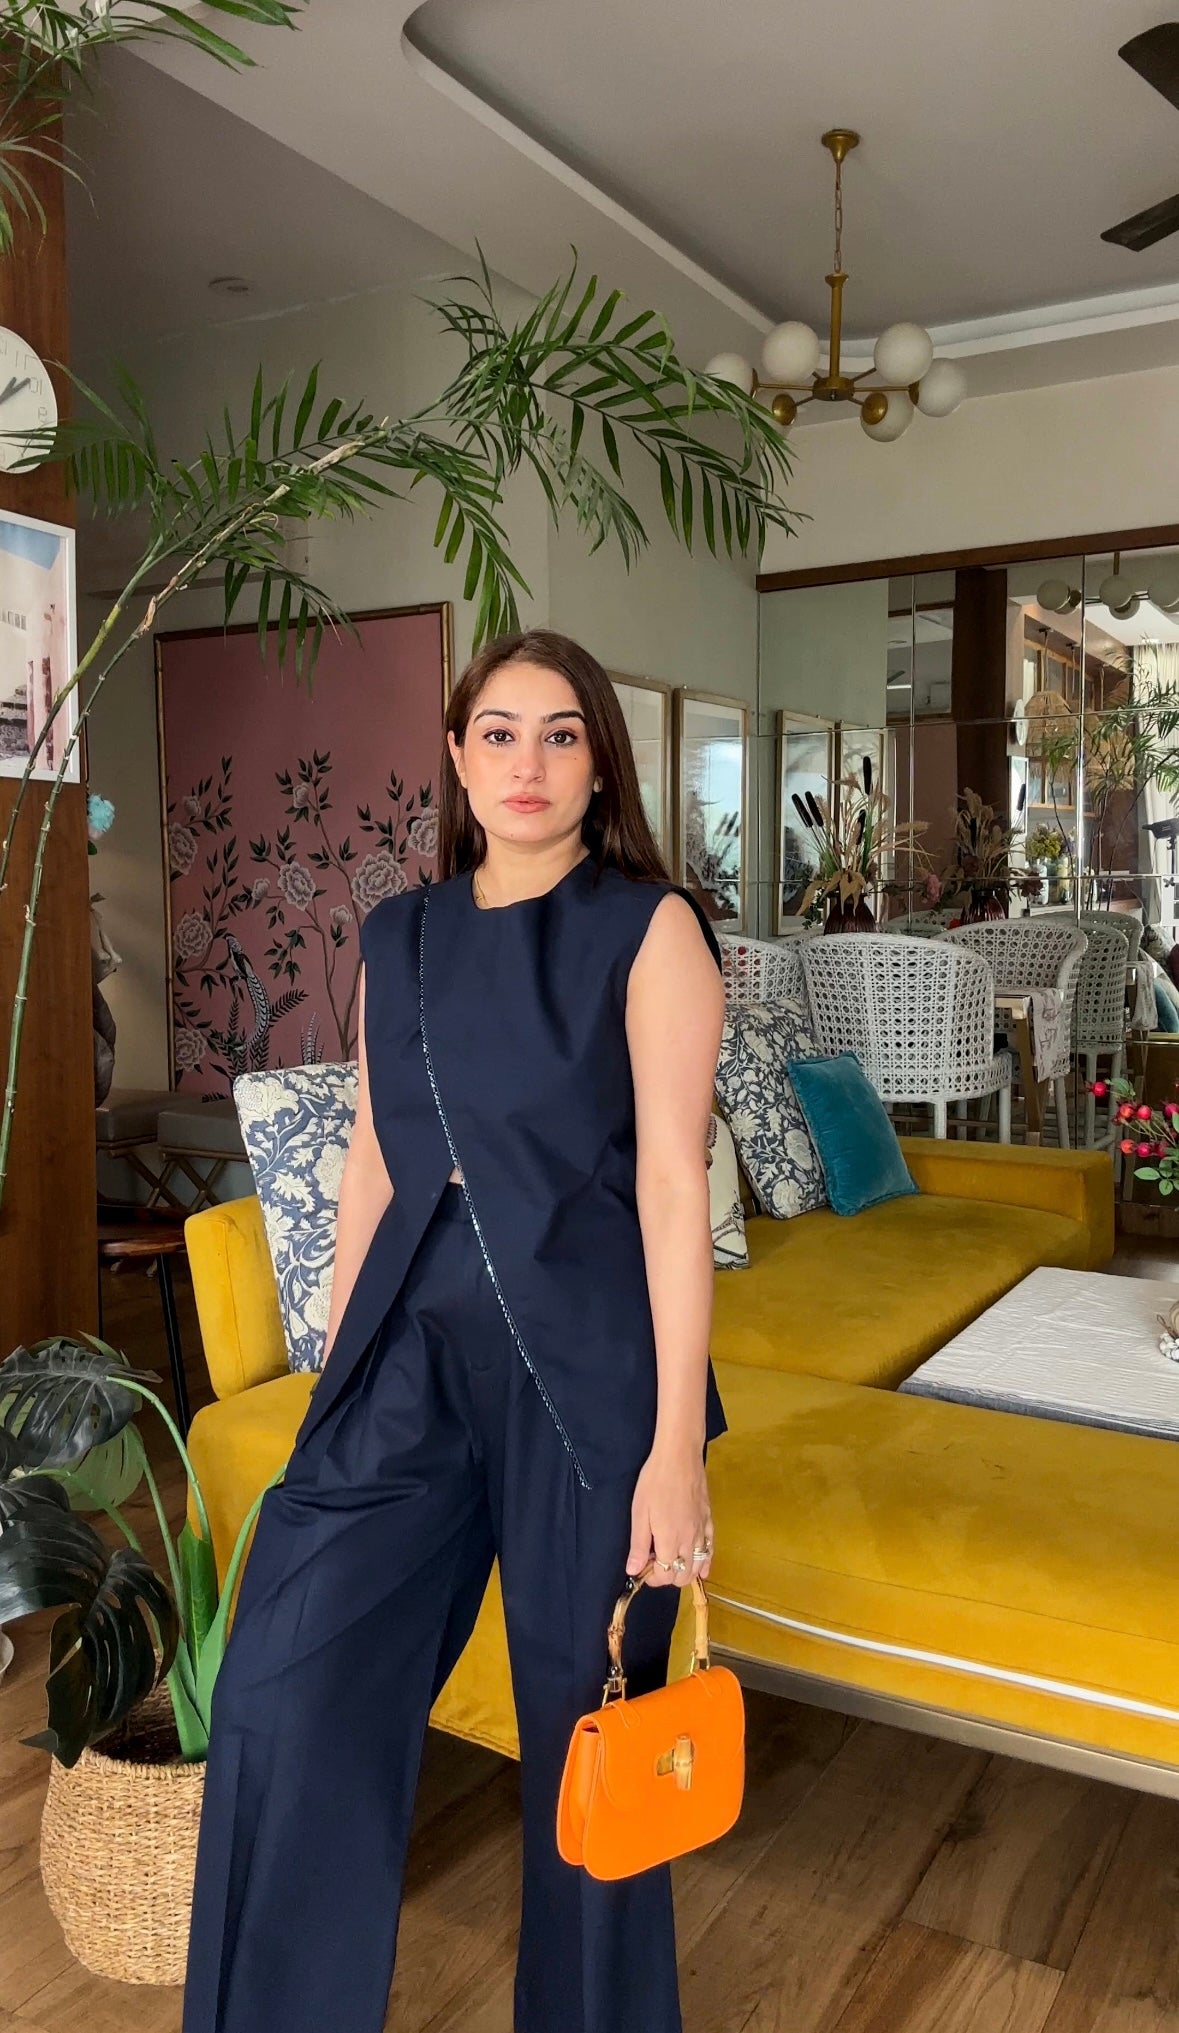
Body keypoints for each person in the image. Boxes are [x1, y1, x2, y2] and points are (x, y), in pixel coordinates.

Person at [182, 628, 730, 2033]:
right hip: (405, 1360)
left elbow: (675, 1187)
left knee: (587, 1758)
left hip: (590, 1384)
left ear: (600, 761)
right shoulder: (401, 935)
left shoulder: (650, 929)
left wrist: (676, 1448)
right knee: (280, 1686)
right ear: (458, 755)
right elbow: (375, 1156)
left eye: (560, 733)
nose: (527, 762)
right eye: (499, 732)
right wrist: (332, 1367)